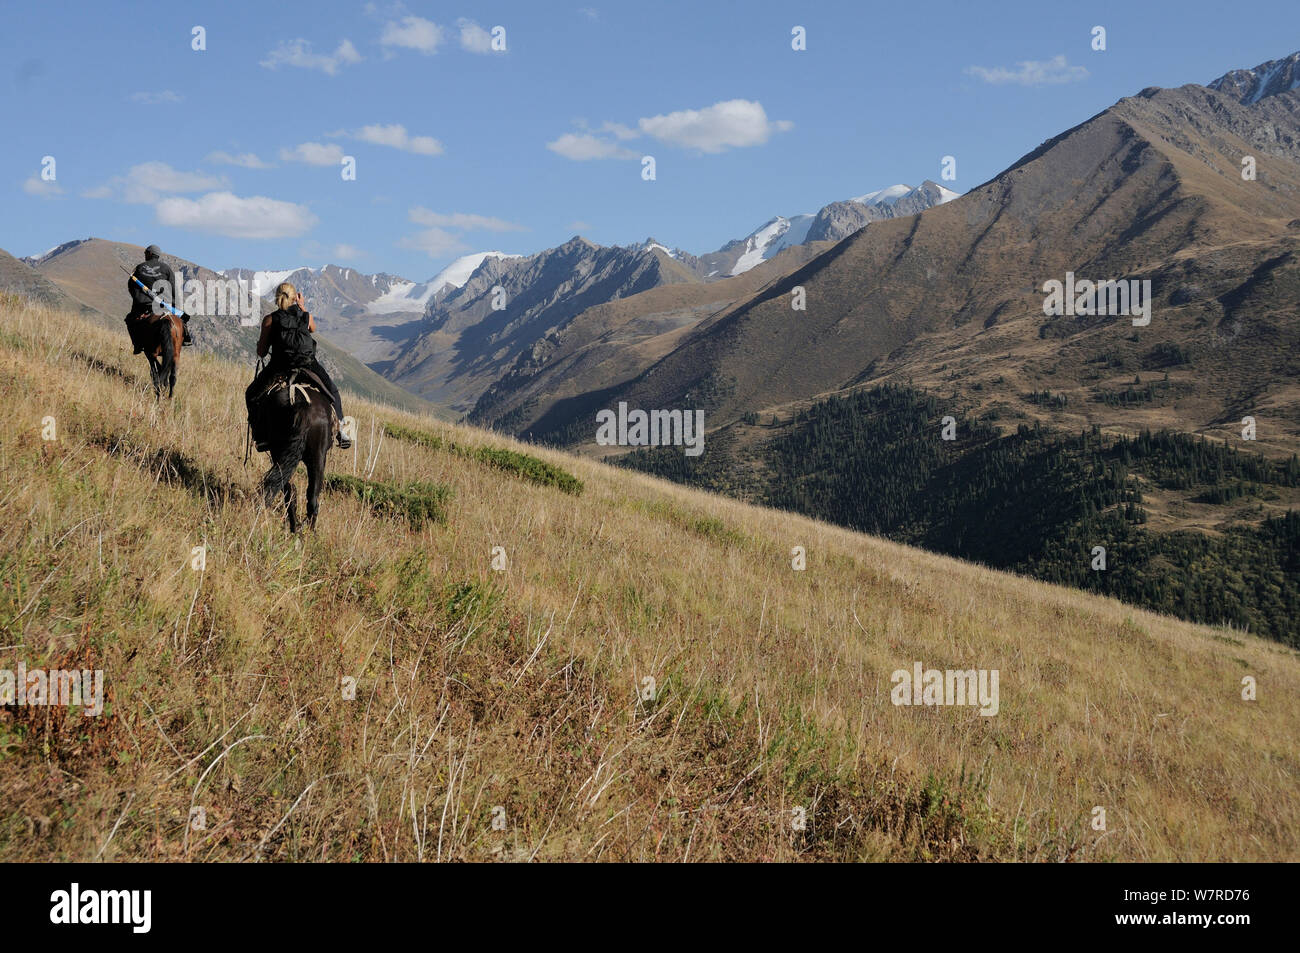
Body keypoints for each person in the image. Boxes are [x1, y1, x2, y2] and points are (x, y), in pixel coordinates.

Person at [245, 282, 351, 449]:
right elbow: (313, 329)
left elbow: (262, 352)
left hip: (280, 367)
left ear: (276, 297)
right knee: (333, 391)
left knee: (251, 394)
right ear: (295, 297)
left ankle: (261, 436)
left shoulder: (270, 319)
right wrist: (302, 307)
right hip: (308, 365)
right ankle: (343, 432)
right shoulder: (305, 315)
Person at [125, 244, 192, 352]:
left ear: (150, 254)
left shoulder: (139, 268)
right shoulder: (166, 268)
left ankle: (137, 345)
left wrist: (139, 300)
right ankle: (186, 338)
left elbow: (131, 287)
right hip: (164, 306)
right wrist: (173, 305)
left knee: (129, 319)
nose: (145, 255)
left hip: (144, 306)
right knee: (179, 322)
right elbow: (173, 287)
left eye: (145, 253)